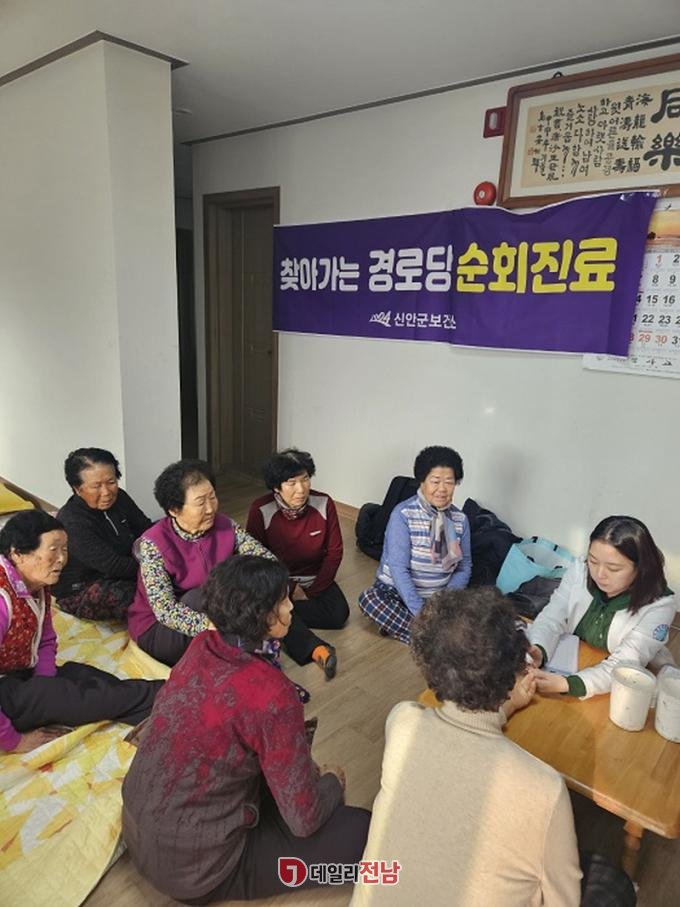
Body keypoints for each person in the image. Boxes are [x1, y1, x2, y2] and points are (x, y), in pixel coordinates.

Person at [352, 586, 636, 907]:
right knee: (613, 883)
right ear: (514, 669)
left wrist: (507, 704)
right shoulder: (544, 788)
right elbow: (564, 902)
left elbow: (467, 723)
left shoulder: (402, 722)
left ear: (427, 666)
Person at [122, 555, 370, 903]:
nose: (291, 607)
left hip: (141, 836)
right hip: (199, 874)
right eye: (282, 601)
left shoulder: (201, 646)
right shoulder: (272, 693)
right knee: (362, 834)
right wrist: (331, 784)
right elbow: (305, 819)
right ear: (263, 617)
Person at [0, 511, 162, 754]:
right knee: (79, 697)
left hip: (20, 673)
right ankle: (170, 694)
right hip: (5, 692)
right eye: (53, 550)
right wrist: (14, 742)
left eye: (65, 549)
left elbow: (46, 638)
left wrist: (45, 680)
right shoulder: (2, 598)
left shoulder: (35, 585)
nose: (61, 559)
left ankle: (161, 706)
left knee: (82, 677)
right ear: (18, 554)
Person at [127, 458, 274, 666]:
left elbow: (264, 559)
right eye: (200, 502)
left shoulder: (225, 525)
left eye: (212, 497)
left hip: (215, 615)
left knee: (244, 580)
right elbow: (165, 610)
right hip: (160, 629)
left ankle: (248, 655)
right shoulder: (153, 543)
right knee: (202, 595)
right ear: (174, 510)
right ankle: (248, 652)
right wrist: (216, 626)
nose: (210, 508)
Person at [529, 515, 676, 698]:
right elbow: (553, 615)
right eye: (593, 561)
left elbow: (626, 663)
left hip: (627, 684)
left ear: (640, 568)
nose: (599, 574)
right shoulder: (580, 570)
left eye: (613, 568)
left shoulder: (660, 605)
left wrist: (569, 684)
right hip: (576, 659)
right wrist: (539, 649)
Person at [247, 448, 347, 679]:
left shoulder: (324, 503)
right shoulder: (260, 510)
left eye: (305, 479)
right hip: (278, 583)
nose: (301, 489)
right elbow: (258, 560)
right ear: (276, 487)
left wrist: (311, 591)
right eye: (291, 483)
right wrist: (290, 590)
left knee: (339, 615)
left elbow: (335, 553)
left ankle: (275, 618)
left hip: (315, 578)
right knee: (273, 608)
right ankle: (317, 649)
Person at [358, 445, 471, 643]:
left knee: (479, 608)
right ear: (422, 481)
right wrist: (421, 611)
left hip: (439, 597)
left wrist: (443, 601)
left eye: (449, 482)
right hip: (399, 594)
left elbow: (464, 566)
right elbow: (398, 569)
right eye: (435, 481)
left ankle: (415, 631)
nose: (442, 489)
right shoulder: (403, 514)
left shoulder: (460, 519)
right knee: (369, 599)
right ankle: (434, 639)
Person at [53, 447, 152, 621]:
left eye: (111, 482)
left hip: (126, 569)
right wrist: (158, 570)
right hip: (85, 586)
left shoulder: (120, 498)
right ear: (77, 488)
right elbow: (114, 565)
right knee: (134, 597)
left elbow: (146, 530)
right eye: (96, 486)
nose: (106, 492)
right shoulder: (72, 521)